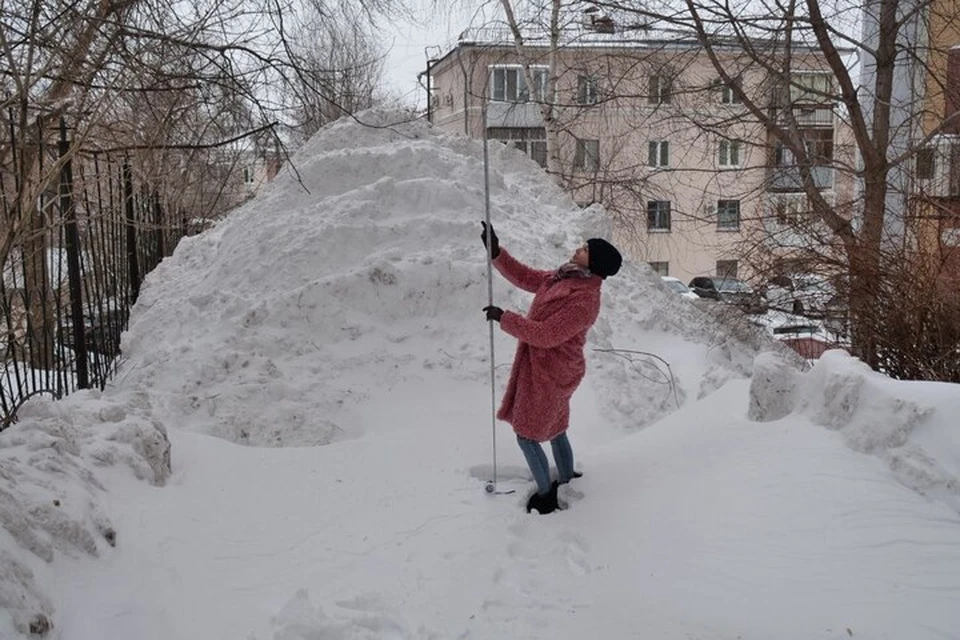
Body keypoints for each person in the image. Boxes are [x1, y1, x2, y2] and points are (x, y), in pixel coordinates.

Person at [480, 222, 622, 514]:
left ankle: (546, 495)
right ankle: (567, 478)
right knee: (556, 429)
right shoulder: (565, 277)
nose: (578, 248)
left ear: (593, 264)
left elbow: (546, 335)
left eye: (585, 249)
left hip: (552, 373)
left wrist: (505, 318)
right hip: (547, 367)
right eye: (583, 245)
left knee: (527, 435)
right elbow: (527, 276)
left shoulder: (585, 301)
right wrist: (496, 252)